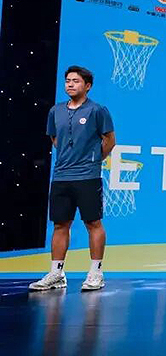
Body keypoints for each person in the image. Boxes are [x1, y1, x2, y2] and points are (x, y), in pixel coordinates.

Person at [31, 65, 115, 292]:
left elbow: (110, 140)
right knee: (60, 224)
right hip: (61, 177)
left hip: (88, 177)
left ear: (87, 86)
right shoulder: (55, 111)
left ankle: (96, 273)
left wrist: (93, 160)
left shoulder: (97, 110)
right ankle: (57, 274)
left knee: (93, 223)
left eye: (75, 81)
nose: (70, 84)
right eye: (68, 80)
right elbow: (55, 139)